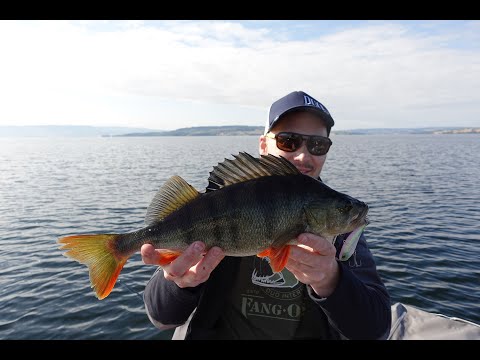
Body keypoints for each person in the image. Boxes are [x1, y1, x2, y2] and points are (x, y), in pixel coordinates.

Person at [141, 90, 392, 340]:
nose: (303, 155)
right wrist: (179, 282)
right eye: (288, 141)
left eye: (318, 145)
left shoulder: (340, 230)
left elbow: (375, 330)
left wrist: (331, 280)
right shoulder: (213, 207)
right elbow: (161, 316)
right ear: (263, 145)